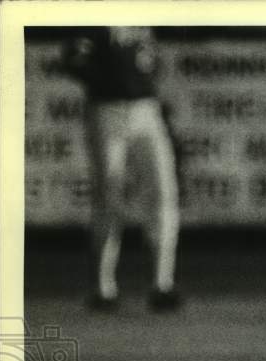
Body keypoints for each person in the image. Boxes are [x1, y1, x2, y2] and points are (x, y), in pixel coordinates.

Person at [61, 27, 181, 311]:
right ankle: (103, 289)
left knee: (164, 192)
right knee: (109, 196)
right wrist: (109, 79)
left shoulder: (141, 17)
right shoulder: (91, 17)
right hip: (106, 108)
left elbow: (151, 59)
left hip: (146, 107)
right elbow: (73, 59)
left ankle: (162, 285)